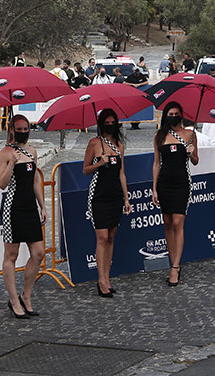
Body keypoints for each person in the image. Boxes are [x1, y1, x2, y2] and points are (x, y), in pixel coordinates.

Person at [0, 115, 46, 319]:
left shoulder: (31, 151)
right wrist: (11, 163)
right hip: (13, 207)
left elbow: (35, 181)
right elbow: (2, 183)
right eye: (20, 129)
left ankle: (26, 295)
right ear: (12, 130)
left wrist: (42, 206)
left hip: (30, 206)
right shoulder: (5, 153)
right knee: (11, 255)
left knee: (38, 252)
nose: (23, 132)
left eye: (26, 128)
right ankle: (13, 300)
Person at [83, 109, 132, 297]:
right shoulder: (94, 143)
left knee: (111, 237)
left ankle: (107, 277)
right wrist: (99, 163)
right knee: (102, 237)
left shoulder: (120, 145)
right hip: (99, 195)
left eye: (113, 123)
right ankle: (101, 280)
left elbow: (122, 173)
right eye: (107, 123)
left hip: (115, 195)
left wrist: (126, 198)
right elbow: (85, 170)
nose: (110, 126)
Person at [152, 102, 198, 286]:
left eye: (176, 113)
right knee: (168, 223)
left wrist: (191, 153)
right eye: (170, 114)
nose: (173, 116)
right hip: (164, 183)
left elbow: (195, 161)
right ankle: (173, 260)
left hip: (182, 183)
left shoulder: (189, 134)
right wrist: (154, 188)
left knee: (178, 222)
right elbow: (156, 163)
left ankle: (176, 267)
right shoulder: (159, 136)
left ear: (181, 115)